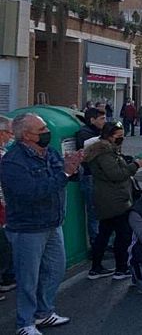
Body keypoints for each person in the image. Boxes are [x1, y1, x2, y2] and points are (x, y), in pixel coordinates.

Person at [1, 114, 83, 334]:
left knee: (55, 270)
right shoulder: (13, 162)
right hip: (27, 227)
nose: (47, 132)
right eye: (41, 129)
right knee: (28, 278)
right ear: (26, 135)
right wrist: (65, 173)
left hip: (53, 223)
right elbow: (31, 192)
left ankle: (44, 313)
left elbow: (64, 175)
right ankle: (25, 323)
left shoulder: (49, 152)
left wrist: (74, 167)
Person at [84, 122, 142, 280]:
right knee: (122, 235)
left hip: (109, 198)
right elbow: (116, 174)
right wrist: (135, 165)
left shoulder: (106, 151)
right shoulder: (105, 153)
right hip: (115, 199)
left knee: (104, 234)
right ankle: (121, 268)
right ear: (109, 136)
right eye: (119, 136)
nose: (121, 138)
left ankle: (96, 268)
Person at [75, 107, 105, 245]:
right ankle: (96, 242)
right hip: (90, 176)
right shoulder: (84, 134)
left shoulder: (98, 132)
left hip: (98, 176)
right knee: (94, 211)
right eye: (102, 119)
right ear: (92, 120)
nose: (104, 121)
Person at [0, 117, 16, 299]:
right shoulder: (3, 157)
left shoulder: (4, 153)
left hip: (5, 206)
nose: (11, 137)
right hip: (3, 207)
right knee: (4, 245)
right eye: (10, 133)